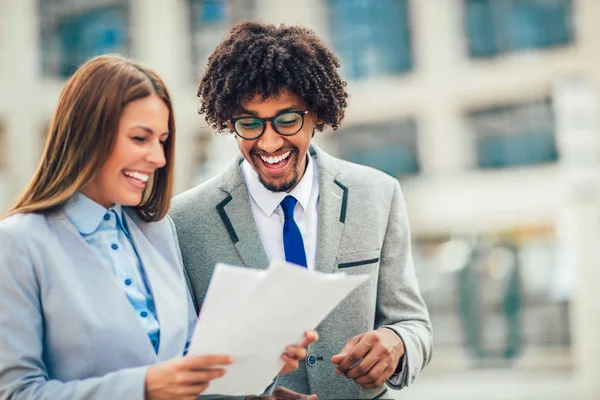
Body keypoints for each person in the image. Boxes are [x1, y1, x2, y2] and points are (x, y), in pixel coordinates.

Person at [0, 55, 316, 400]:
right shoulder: (18, 244)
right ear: (86, 132)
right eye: (140, 138)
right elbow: (15, 392)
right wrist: (144, 388)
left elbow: (187, 375)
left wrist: (259, 359)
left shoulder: (158, 232)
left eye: (162, 141)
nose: (159, 158)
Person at [170, 21, 433, 399]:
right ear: (229, 122)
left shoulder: (378, 194)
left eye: (287, 119)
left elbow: (413, 321)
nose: (269, 141)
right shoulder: (184, 222)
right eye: (249, 124)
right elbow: (177, 363)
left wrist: (398, 341)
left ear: (317, 114)